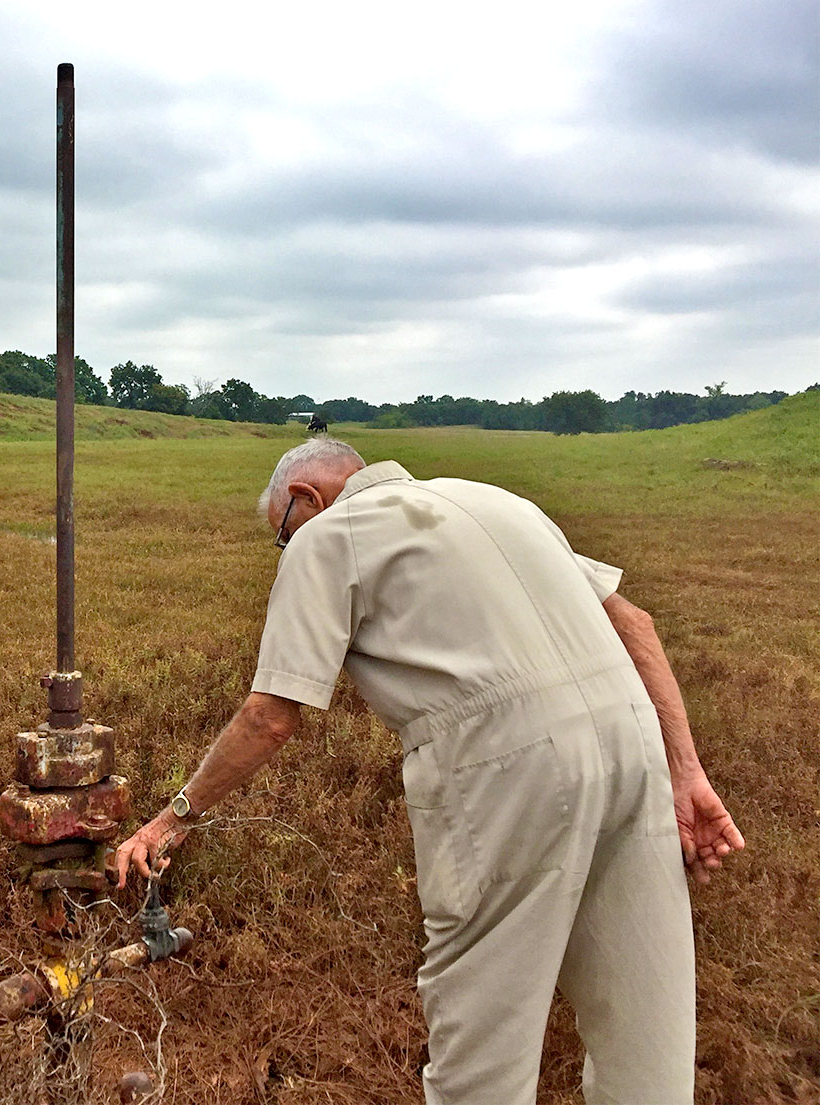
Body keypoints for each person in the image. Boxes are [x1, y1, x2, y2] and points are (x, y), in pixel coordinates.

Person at [110, 438, 743, 1104]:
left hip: (506, 764)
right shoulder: (501, 502)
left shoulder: (326, 537)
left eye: (280, 536)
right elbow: (634, 622)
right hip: (635, 742)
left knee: (483, 1043)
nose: (285, 549)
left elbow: (271, 715)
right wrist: (686, 772)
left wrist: (172, 817)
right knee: (647, 1031)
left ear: (304, 499)